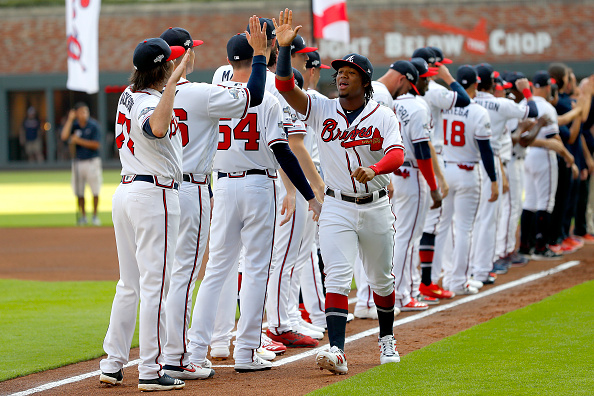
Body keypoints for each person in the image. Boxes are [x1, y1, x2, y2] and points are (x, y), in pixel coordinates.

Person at [274, 9, 404, 373]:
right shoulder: (321, 108)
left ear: (365, 81)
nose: (341, 77)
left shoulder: (382, 114)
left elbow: (397, 153)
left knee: (381, 278)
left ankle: (386, 339)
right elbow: (285, 86)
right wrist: (284, 50)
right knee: (337, 275)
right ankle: (337, 350)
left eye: (349, 73)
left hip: (376, 205)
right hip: (337, 206)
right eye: (339, 73)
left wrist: (375, 169)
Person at [186, 31, 321, 374]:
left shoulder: (213, 94)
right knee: (257, 269)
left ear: (230, 60)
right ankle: (245, 352)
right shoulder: (269, 97)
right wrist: (308, 194)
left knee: (215, 271)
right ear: (261, 54)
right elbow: (282, 151)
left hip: (224, 186)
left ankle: (196, 351)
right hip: (260, 186)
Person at [158, 18, 270, 380]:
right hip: (197, 188)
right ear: (185, 55)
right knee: (189, 276)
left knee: (164, 278)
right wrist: (261, 57)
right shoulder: (200, 92)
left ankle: (163, 353)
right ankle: (182, 356)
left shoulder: (142, 95)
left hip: (161, 189)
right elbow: (253, 94)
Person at [99, 38, 190, 391]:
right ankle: (150, 370)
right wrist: (170, 86)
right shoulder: (148, 101)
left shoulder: (129, 93)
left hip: (127, 191)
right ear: (163, 69)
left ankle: (112, 361)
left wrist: (165, 84)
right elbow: (156, 127)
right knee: (155, 286)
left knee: (129, 284)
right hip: (154, 194)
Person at [471, 63, 538, 283]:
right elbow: (533, 111)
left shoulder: (463, 101)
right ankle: (484, 266)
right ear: (491, 83)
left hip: (467, 161)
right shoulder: (499, 104)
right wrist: (526, 89)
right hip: (491, 162)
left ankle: (469, 267)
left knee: (468, 221)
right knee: (488, 219)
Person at [438, 65, 498, 295]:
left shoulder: (443, 106)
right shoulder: (477, 111)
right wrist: (493, 180)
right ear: (475, 84)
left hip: (445, 170)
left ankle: (437, 278)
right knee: (463, 229)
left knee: (442, 227)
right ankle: (458, 281)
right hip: (467, 171)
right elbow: (486, 151)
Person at [390, 59, 443, 310]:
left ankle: (406, 290)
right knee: (408, 237)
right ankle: (402, 294)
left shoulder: (391, 104)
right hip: (411, 174)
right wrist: (433, 187)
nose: (428, 81)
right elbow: (422, 150)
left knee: (402, 235)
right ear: (413, 81)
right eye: (424, 77)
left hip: (395, 173)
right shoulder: (418, 107)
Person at [61, 102, 102, 226]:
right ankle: (83, 216)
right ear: (76, 113)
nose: (84, 114)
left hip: (91, 161)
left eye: (86, 111)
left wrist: (79, 141)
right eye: (81, 111)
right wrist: (69, 119)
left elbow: (96, 144)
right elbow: (64, 136)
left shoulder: (93, 125)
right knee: (79, 191)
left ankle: (95, 216)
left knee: (95, 190)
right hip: (78, 162)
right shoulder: (74, 126)